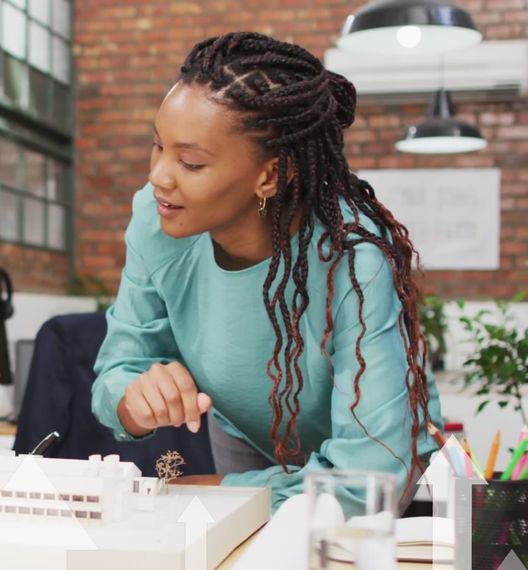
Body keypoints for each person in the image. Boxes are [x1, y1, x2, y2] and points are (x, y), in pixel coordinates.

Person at [91, 32, 442, 510]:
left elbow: (367, 481)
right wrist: (134, 401)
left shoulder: (355, 261)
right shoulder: (157, 220)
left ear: (271, 175)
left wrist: (212, 495)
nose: (159, 176)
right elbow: (117, 370)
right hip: (251, 457)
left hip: (389, 491)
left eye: (191, 162)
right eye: (158, 148)